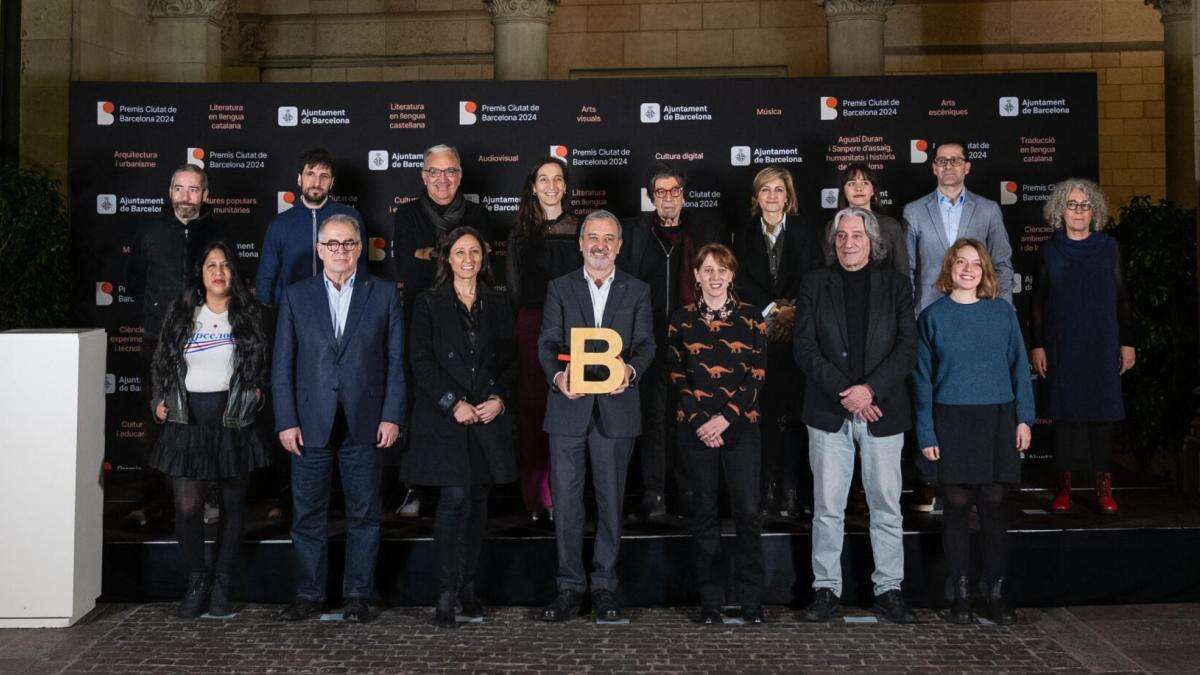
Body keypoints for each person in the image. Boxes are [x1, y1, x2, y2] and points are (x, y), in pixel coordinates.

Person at [272, 213, 406, 623]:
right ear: (319, 250)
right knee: (307, 514)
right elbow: (283, 364)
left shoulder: (383, 294)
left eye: (348, 243)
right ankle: (310, 594)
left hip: (366, 422)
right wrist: (285, 420)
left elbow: (395, 362)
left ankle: (358, 595)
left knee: (364, 514)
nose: (340, 251)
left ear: (360, 248)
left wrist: (391, 415)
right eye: (332, 243)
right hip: (309, 424)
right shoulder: (296, 296)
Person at [793, 207, 917, 624]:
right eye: (842, 236)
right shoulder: (814, 283)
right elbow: (804, 348)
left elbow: (906, 350)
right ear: (834, 242)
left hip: (883, 411)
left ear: (872, 242)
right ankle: (826, 589)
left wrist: (869, 391)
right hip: (830, 411)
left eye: (857, 236)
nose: (849, 242)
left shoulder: (898, 286)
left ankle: (890, 589)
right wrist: (847, 393)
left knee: (886, 505)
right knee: (827, 506)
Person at [537, 210, 655, 623]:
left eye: (608, 238)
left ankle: (605, 585)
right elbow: (547, 342)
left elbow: (645, 346)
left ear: (619, 246)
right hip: (569, 409)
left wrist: (630, 371)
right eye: (592, 237)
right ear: (580, 243)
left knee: (610, 502)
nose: (599, 245)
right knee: (567, 504)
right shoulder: (560, 288)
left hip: (616, 412)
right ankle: (569, 587)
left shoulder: (638, 290)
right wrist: (557, 375)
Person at [148, 240, 271, 619]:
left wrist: (257, 393)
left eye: (225, 265)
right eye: (211, 265)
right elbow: (161, 362)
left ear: (234, 272)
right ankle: (197, 580)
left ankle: (222, 583)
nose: (219, 272)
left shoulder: (249, 316)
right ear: (200, 275)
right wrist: (157, 401)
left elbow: (262, 368)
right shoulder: (183, 313)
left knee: (234, 507)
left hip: (231, 420)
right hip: (188, 419)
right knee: (187, 508)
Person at [915, 239, 1034, 626]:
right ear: (949, 269)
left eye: (976, 264)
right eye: (960, 263)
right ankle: (961, 596)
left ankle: (995, 594)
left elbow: (1020, 369)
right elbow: (921, 381)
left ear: (985, 272)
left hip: (998, 418)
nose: (968, 270)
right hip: (951, 420)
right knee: (957, 510)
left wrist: (1024, 419)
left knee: (994, 509)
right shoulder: (932, 317)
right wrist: (927, 432)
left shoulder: (1002, 314)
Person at [402, 227, 517, 627]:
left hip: (487, 418)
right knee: (453, 501)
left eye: (474, 252)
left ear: (483, 258)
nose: (468, 258)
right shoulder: (428, 303)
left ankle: (469, 588)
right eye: (459, 252)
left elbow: (509, 359)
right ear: (447, 258)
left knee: (479, 504)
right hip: (446, 421)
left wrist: (499, 398)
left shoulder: (499, 302)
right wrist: (453, 404)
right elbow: (421, 362)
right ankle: (445, 593)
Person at [903, 140, 1015, 513]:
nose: (949, 166)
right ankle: (929, 480)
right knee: (927, 394)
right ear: (933, 168)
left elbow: (1001, 263)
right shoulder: (914, 211)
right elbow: (909, 271)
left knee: (971, 400)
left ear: (967, 167)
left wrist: (999, 313)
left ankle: (979, 477)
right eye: (942, 161)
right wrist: (911, 317)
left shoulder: (988, 210)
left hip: (976, 315)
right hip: (929, 318)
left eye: (956, 160)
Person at [666, 243, 767, 624]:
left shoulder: (752, 319)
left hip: (741, 430)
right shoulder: (681, 320)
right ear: (696, 275)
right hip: (695, 431)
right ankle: (711, 602)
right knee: (703, 514)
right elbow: (677, 376)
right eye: (707, 270)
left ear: (731, 274)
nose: (714, 277)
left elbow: (756, 376)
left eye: (721, 270)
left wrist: (725, 419)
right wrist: (701, 422)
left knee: (747, 514)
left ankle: (751, 601)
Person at [391, 143, 489, 517]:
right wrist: (450, 256)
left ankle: (467, 480)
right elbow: (407, 268)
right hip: (423, 319)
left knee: (466, 398)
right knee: (424, 400)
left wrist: (429, 253)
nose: (442, 179)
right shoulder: (408, 214)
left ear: (460, 175)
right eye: (434, 172)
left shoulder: (479, 214)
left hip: (469, 322)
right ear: (423, 176)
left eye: (450, 172)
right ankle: (415, 486)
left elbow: (477, 269)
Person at [619, 163, 721, 521]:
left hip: (692, 343)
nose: (667, 198)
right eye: (660, 192)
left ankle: (688, 492)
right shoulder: (634, 234)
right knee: (653, 420)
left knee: (690, 417)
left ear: (683, 195)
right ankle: (654, 494)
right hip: (647, 342)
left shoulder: (702, 233)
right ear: (651, 198)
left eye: (673, 191)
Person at [126, 164, 225, 528]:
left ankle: (209, 497)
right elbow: (135, 281)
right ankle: (151, 502)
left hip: (208, 341)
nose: (186, 196)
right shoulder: (150, 230)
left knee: (206, 421)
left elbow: (226, 282)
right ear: (170, 192)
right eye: (179, 188)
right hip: (158, 341)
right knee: (157, 421)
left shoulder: (217, 233)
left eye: (193, 189)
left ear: (205, 195)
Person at [1031, 179, 1135, 515]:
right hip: (1062, 345)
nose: (1078, 211)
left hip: (1102, 343)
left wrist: (1127, 342)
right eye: (1072, 204)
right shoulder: (1049, 250)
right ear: (1061, 210)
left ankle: (1104, 489)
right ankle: (1063, 489)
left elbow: (1121, 296)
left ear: (1095, 211)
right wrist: (1038, 346)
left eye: (1085, 205)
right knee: (1065, 418)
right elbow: (1038, 303)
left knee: (1101, 417)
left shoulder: (1109, 247)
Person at [730, 165, 822, 518]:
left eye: (778, 190)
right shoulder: (744, 231)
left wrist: (790, 312)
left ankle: (792, 491)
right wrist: (771, 310)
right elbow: (740, 278)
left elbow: (813, 272)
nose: (772, 196)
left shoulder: (803, 229)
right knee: (764, 415)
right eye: (765, 190)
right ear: (756, 197)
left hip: (798, 329)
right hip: (759, 331)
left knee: (795, 416)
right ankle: (766, 491)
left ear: (788, 196)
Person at [506, 157, 580, 523]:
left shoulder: (581, 230)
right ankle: (535, 496)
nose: (551, 185)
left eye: (558, 179)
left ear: (566, 186)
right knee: (533, 409)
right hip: (533, 325)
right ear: (533, 187)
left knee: (570, 409)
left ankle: (563, 492)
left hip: (574, 328)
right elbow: (516, 291)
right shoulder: (519, 234)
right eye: (543, 179)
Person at [255, 148, 366, 306]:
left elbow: (360, 269)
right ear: (299, 179)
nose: (316, 183)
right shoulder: (280, 224)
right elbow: (266, 278)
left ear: (332, 182)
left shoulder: (350, 218)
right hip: (292, 313)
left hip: (340, 310)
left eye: (324, 176)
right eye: (310, 174)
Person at [824, 162, 908, 275]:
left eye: (865, 183)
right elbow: (828, 269)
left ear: (873, 190)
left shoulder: (891, 226)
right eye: (851, 183)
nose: (858, 188)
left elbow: (903, 271)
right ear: (843, 191)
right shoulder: (832, 226)